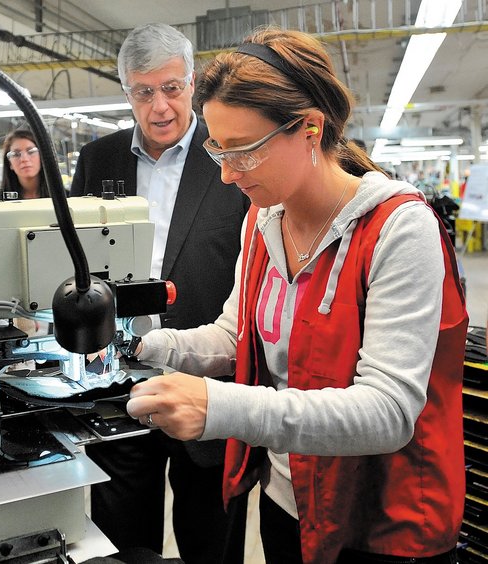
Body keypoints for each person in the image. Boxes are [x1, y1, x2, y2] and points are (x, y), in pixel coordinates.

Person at [126, 27, 468, 564]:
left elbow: (389, 411)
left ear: (310, 128)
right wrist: (141, 348)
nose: (224, 173)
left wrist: (218, 407)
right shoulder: (263, 220)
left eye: (243, 151)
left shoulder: (398, 228)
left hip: (382, 526)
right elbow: (235, 334)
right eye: (218, 147)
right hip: (289, 502)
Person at [70, 23, 250, 564]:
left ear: (192, 84)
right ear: (126, 91)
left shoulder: (230, 156)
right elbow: (76, 262)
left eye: (172, 88)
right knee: (123, 543)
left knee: (211, 544)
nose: (160, 106)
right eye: (144, 91)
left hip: (212, 385)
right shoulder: (97, 160)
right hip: (118, 381)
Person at [0, 129, 50, 200]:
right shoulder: (1, 203)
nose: (24, 159)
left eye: (31, 151)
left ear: (42, 157)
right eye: (16, 154)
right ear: (9, 163)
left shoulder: (65, 197)